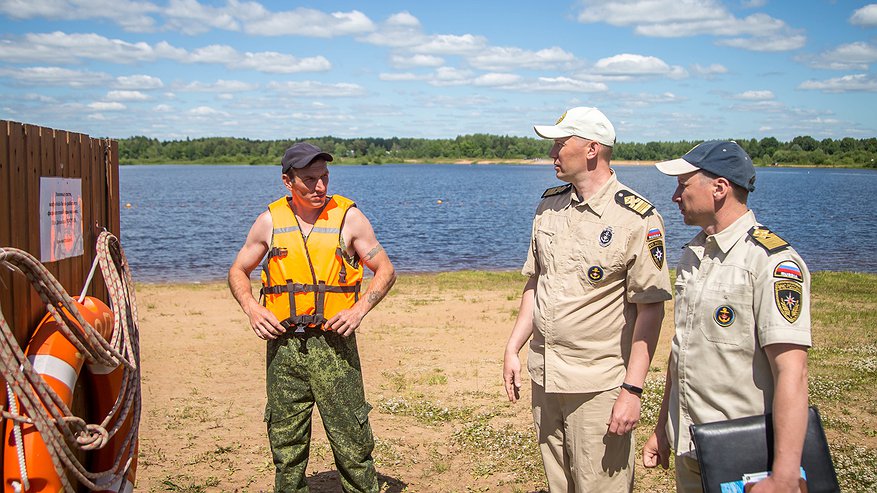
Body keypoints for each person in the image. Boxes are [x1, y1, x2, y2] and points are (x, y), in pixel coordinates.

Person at [503, 107, 671, 492]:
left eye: (561, 144)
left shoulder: (637, 218)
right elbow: (536, 284)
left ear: (592, 149)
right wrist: (514, 347)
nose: (553, 154)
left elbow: (650, 310)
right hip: (544, 378)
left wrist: (632, 390)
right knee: (559, 484)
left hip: (599, 385)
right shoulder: (549, 205)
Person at [643, 141, 811, 493]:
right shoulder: (694, 253)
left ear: (719, 188)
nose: (675, 195)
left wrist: (783, 475)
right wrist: (663, 427)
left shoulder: (771, 263)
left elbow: (791, 372)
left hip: (744, 457)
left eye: (683, 185)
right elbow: (682, 354)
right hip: (691, 445)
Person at [228, 142, 396, 493]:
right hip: (283, 348)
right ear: (287, 182)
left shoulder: (349, 217)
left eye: (324, 177)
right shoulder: (269, 221)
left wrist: (359, 309)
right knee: (285, 446)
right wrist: (252, 309)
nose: (320, 187)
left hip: (334, 346)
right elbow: (238, 271)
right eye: (309, 179)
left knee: (352, 440)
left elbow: (385, 270)